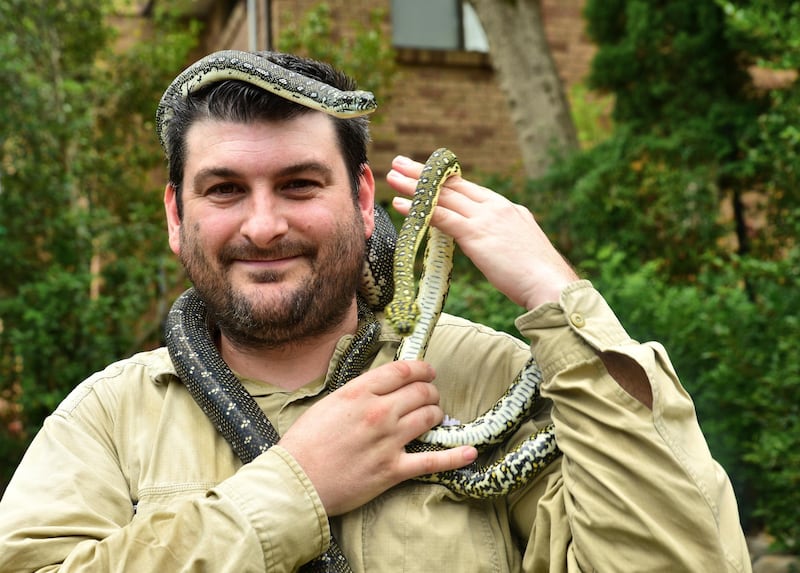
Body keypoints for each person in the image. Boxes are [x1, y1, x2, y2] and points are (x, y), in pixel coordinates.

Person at [0, 50, 750, 572]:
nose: (262, 226)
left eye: (299, 184)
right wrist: (298, 484)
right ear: (175, 213)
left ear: (365, 201)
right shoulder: (104, 418)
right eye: (224, 189)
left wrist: (558, 294)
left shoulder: (497, 377)